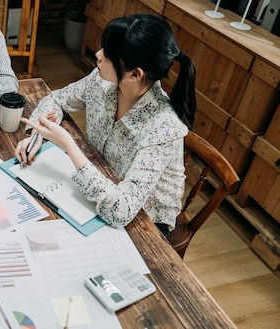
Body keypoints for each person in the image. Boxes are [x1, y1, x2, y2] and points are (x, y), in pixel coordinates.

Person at [14, 14, 196, 235]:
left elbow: (122, 211)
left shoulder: (164, 127)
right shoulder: (100, 81)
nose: (98, 54)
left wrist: (68, 144)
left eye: (108, 54)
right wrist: (37, 135)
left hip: (144, 220)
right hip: (101, 177)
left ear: (134, 74)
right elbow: (56, 99)